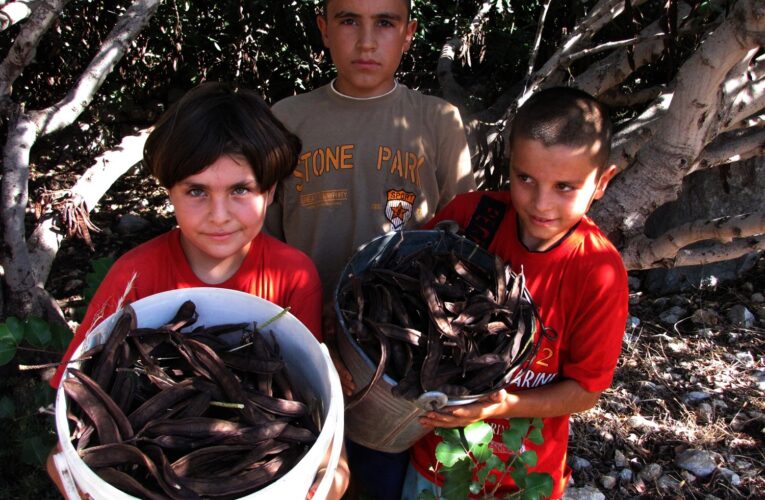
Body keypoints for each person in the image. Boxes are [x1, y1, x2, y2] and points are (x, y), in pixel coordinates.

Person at [47, 82, 349, 499]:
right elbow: (76, 403)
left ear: (272, 191)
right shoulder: (133, 277)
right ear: (169, 189)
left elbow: (312, 398)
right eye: (196, 191)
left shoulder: (293, 277)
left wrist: (334, 471)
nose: (219, 215)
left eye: (241, 189)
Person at [265, 1, 476, 498]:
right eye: (347, 20)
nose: (366, 41)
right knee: (306, 476)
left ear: (408, 33)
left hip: (397, 355)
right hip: (302, 342)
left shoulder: (437, 121)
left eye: (384, 23)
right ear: (323, 28)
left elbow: (458, 247)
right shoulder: (286, 120)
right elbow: (265, 240)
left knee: (379, 476)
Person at [403, 86, 629, 499]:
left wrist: (502, 405)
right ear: (510, 165)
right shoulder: (472, 218)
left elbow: (585, 391)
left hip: (522, 478)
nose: (541, 204)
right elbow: (401, 289)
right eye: (526, 178)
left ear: (602, 182)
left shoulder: (597, 271)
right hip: (435, 461)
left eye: (565, 187)